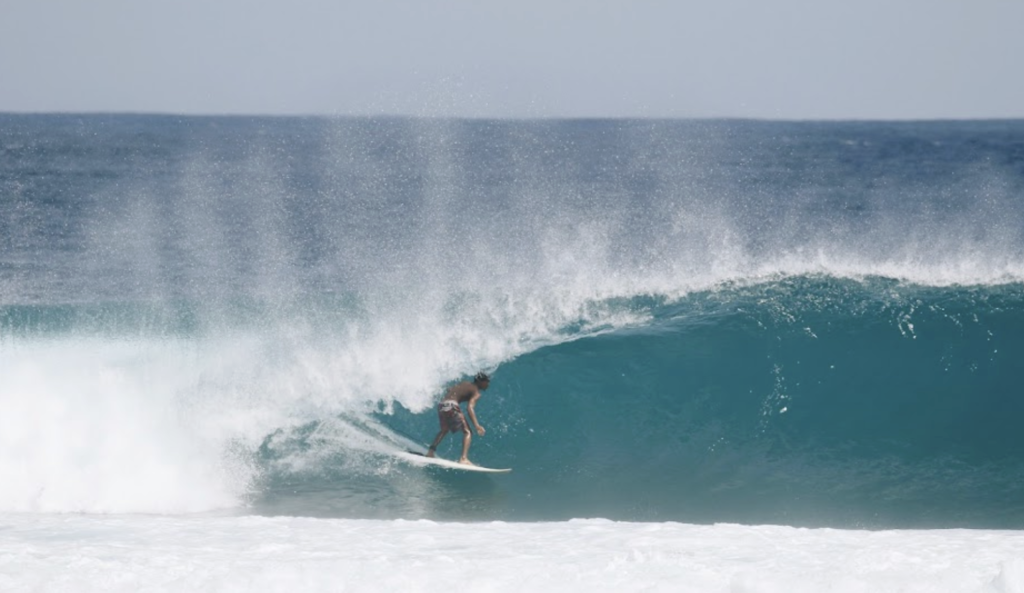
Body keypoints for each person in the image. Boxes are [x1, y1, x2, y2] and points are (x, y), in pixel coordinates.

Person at [426, 372, 490, 465]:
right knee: (468, 432)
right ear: (480, 381)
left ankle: (430, 452)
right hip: (452, 405)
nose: (488, 384)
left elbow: (450, 389)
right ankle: (463, 458)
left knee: (444, 430)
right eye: (487, 381)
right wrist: (477, 426)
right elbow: (470, 408)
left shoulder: (464, 383)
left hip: (442, 405)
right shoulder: (476, 392)